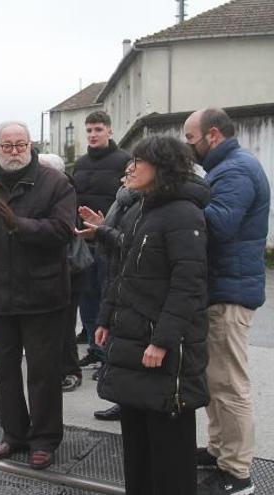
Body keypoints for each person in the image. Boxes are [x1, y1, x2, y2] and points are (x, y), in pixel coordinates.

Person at [89, 136, 210, 495]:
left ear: (161, 167)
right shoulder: (140, 208)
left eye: (139, 162)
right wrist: (105, 318)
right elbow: (122, 269)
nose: (131, 168)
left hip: (162, 344)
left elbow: (188, 285)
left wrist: (162, 341)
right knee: (137, 442)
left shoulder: (184, 213)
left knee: (169, 447)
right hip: (130, 336)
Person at [0, 121, 75, 470]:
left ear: (30, 145)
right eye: (6, 146)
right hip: (1, 292)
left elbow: (63, 231)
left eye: (19, 144)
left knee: (43, 372)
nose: (13, 151)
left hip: (44, 293)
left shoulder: (55, 183)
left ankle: (44, 439)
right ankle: (15, 434)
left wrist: (19, 225)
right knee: (6, 371)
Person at [185, 108, 269, 495]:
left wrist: (182, 195)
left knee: (229, 384)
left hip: (229, 291)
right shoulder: (228, 167)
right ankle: (220, 450)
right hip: (222, 286)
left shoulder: (234, 171)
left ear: (213, 135)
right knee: (215, 380)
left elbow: (217, 225)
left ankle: (237, 474)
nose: (190, 147)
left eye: (191, 139)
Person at [72, 110, 132, 421]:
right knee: (87, 297)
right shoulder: (80, 164)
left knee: (110, 301)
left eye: (98, 129)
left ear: (109, 130)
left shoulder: (125, 159)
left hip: (110, 239)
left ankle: (109, 357)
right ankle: (95, 351)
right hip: (83, 240)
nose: (93, 134)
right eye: (89, 130)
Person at [37, 153, 89, 393]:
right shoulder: (49, 189)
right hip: (52, 267)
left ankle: (70, 371)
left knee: (65, 324)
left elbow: (63, 229)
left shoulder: (63, 190)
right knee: (52, 325)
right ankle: (56, 369)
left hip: (68, 268)